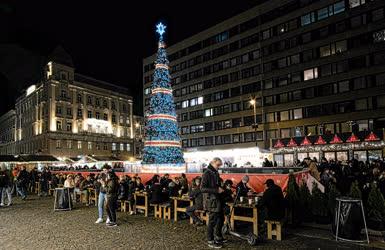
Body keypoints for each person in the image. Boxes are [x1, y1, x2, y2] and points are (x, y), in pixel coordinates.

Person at [202, 157, 226, 249]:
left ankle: (218, 237)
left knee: (220, 218)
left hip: (216, 199)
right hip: (211, 201)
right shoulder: (207, 173)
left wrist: (221, 188)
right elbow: (202, 188)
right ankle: (210, 240)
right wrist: (216, 189)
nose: (219, 167)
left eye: (220, 165)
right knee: (212, 221)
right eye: (218, 165)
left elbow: (216, 185)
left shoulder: (215, 172)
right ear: (213, 162)